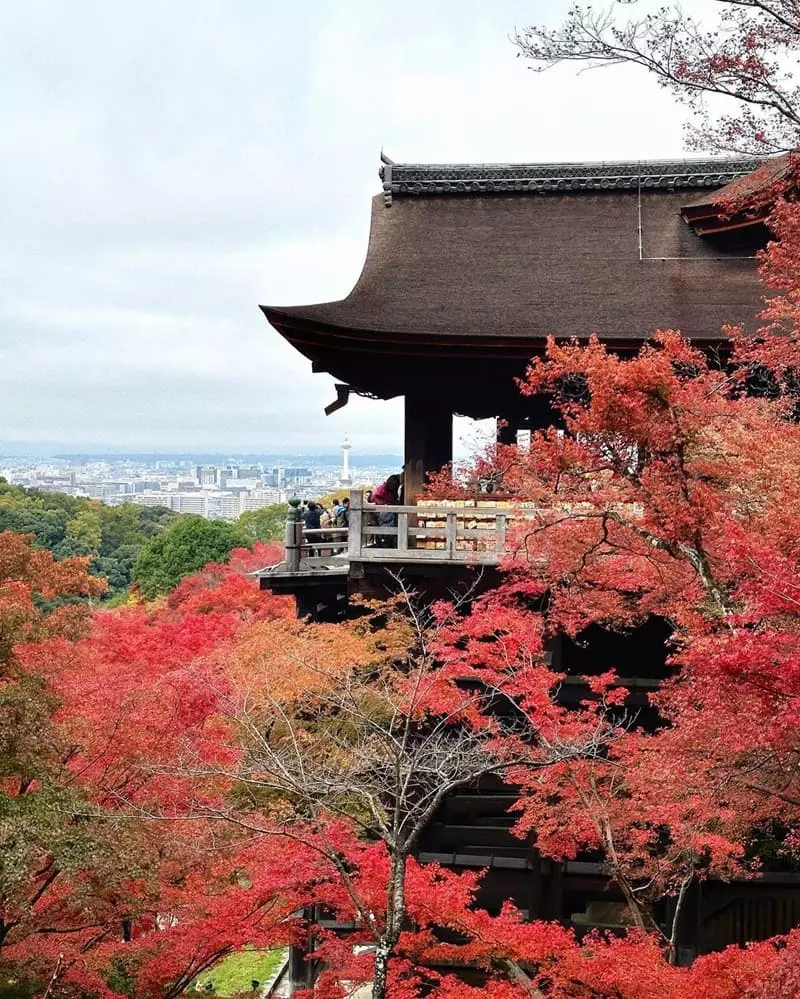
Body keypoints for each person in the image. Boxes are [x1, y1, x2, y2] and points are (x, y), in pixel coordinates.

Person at [371, 474, 401, 548]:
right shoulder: (382, 489)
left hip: (391, 513)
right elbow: (375, 498)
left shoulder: (392, 491)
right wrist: (384, 504)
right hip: (383, 513)